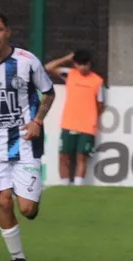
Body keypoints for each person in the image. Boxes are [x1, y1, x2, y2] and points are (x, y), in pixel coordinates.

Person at [0, 8, 56, 261]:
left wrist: (37, 121)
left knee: (27, 209)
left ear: (7, 32)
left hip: (25, 141)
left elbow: (49, 93)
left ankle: (32, 201)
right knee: (3, 200)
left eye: (0, 29)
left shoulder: (26, 61)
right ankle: (17, 257)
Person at [45, 49, 105, 186]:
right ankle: (65, 184)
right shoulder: (70, 74)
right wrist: (67, 58)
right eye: (79, 64)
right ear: (75, 64)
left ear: (90, 64)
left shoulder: (97, 81)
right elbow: (48, 67)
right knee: (64, 156)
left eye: (85, 64)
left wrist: (91, 115)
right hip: (69, 123)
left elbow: (100, 104)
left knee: (81, 157)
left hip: (87, 126)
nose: (83, 68)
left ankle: (78, 186)